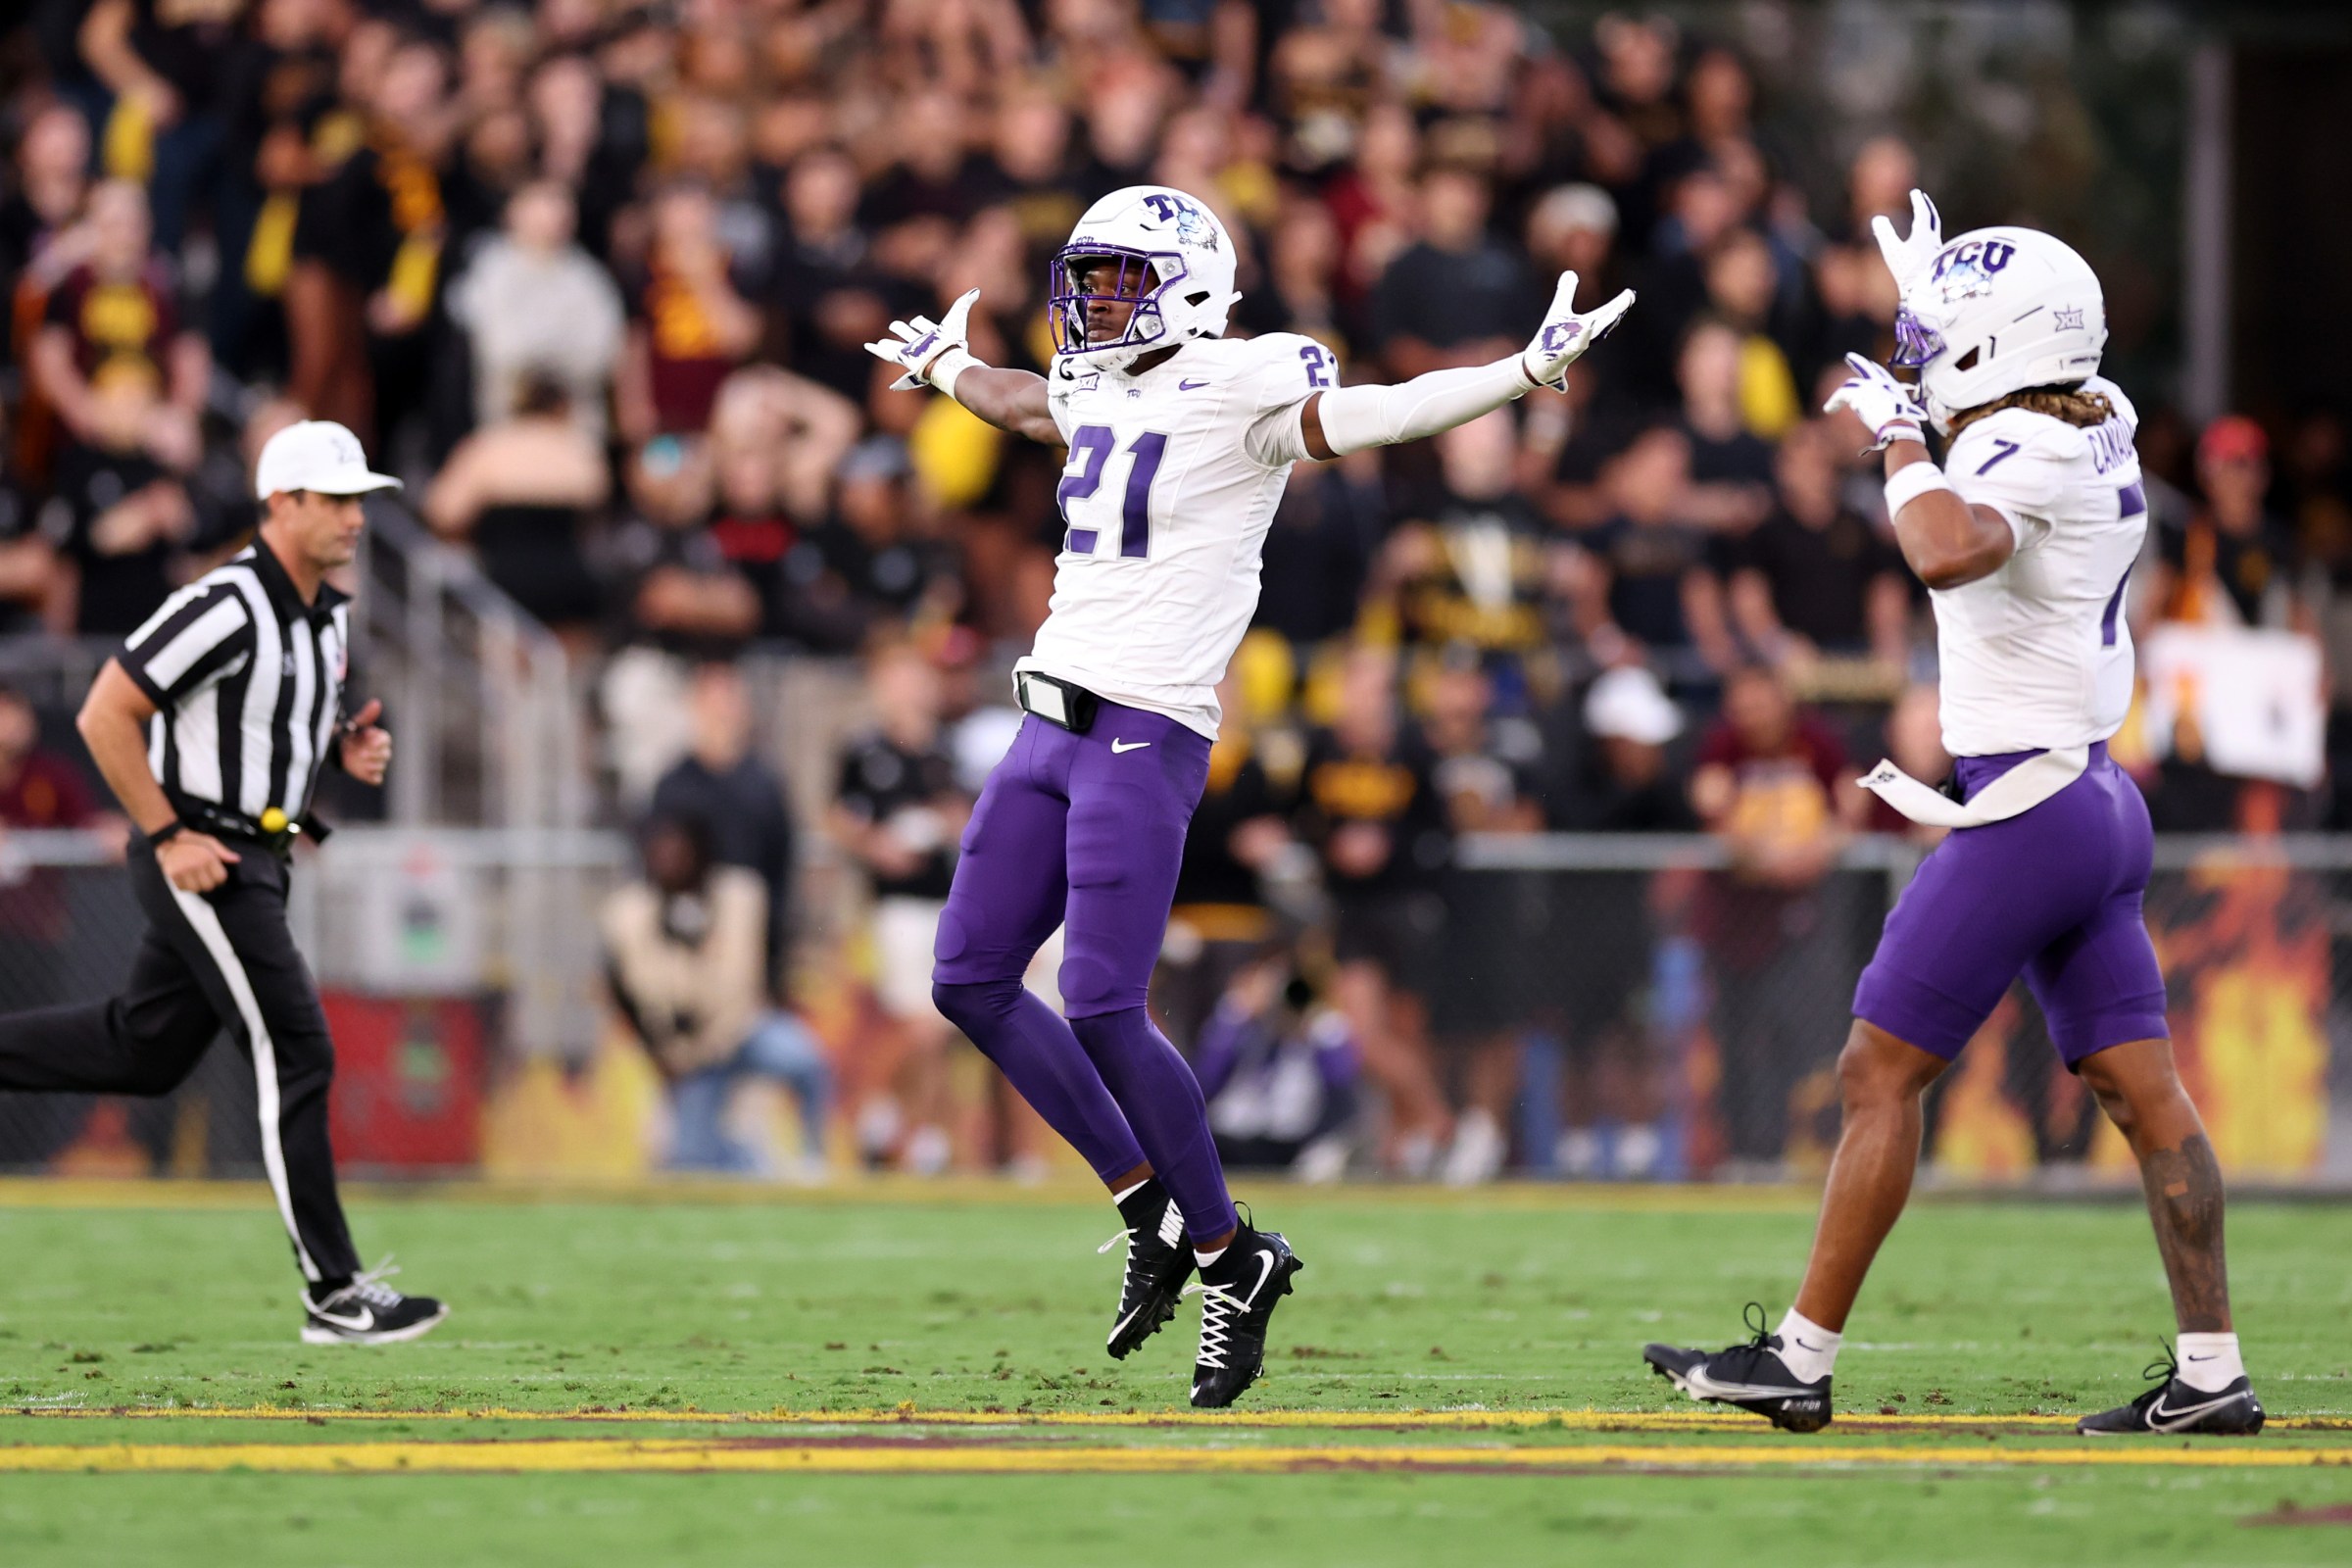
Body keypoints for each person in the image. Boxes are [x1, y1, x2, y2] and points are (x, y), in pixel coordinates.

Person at [866, 181, 1632, 1404]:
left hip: (1145, 728)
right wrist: (951, 363)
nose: (1091, 305)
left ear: (1192, 291)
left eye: (1118, 283)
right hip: (1048, 718)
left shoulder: (1243, 383)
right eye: (1090, 280)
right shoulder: (1100, 381)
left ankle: (1232, 1256)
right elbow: (1024, 401)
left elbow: (1380, 414)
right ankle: (1146, 1205)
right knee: (967, 977)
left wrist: (1518, 374)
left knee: (1106, 1000)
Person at [1647, 193, 2263, 1437]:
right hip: (2094, 794)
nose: (1921, 357)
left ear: (2006, 349)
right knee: (2149, 1099)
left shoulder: (2017, 458)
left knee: (1876, 1067)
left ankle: (1802, 1362)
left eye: (1946, 335)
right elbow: (2007, 405)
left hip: (2027, 808)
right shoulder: (2103, 417)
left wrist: (1892, 434)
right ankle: (2212, 1376)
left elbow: (1944, 545)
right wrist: (1948, 312)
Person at [0, 419, 446, 1345]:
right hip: (207, 858)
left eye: (360, 500)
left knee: (143, 1050)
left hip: (255, 858)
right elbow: (104, 711)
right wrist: (168, 836)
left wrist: (341, 749)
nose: (355, 519)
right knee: (300, 1049)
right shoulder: (228, 601)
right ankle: (334, 1289)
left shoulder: (325, 609)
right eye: (334, 500)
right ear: (280, 505)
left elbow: (271, 718)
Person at [603, 814, 830, 1178]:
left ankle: (813, 1159)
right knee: (689, 1162)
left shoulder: (738, 895)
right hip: (687, 1054)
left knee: (805, 1060)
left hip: (743, 1031)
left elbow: (748, 970)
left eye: (678, 852)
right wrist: (661, 1052)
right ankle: (754, 1166)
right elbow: (626, 991)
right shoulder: (631, 911)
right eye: (660, 853)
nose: (670, 862)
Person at [828, 642, 968, 1175]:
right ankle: (911, 1130)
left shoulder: (946, 752)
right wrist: (875, 846)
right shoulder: (866, 749)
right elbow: (838, 816)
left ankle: (892, 1123)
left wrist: (950, 822)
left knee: (935, 1025)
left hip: (946, 899)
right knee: (923, 1024)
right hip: (894, 905)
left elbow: (969, 814)